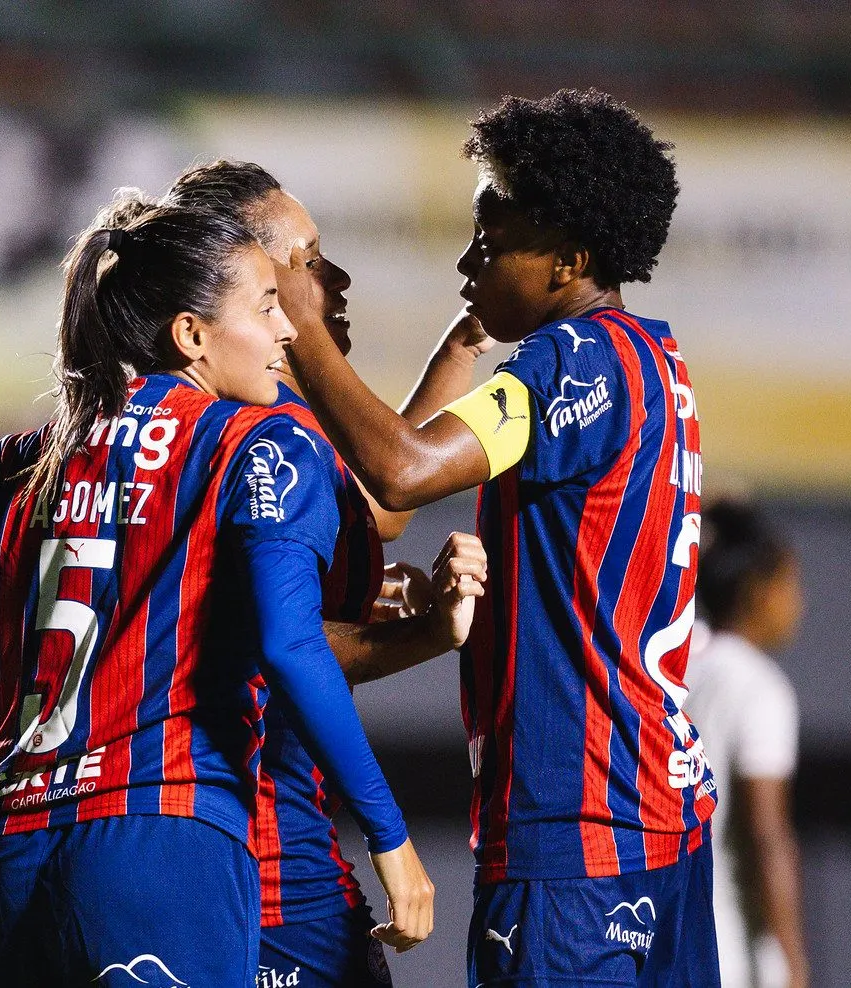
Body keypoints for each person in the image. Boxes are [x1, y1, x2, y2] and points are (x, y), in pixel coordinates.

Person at [0, 198, 436, 987]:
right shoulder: (259, 440)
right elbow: (291, 643)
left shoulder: (29, 457)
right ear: (191, 335)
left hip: (14, 857)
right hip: (163, 848)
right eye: (267, 308)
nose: (289, 331)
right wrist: (391, 838)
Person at [272, 89, 720, 986]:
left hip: (575, 826)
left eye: (494, 231)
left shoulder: (573, 361)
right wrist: (460, 349)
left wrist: (301, 328)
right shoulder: (653, 362)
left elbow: (400, 471)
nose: (470, 256)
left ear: (568, 260)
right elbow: (387, 500)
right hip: (664, 815)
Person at [162, 160, 493, 987]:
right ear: (248, 272)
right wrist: (427, 635)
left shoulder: (175, 421)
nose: (334, 278)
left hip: (150, 835)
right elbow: (277, 645)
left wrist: (462, 344)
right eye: (310, 260)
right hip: (257, 839)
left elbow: (374, 505)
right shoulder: (253, 431)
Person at [683, 501, 809, 988]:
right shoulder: (760, 686)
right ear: (756, 590)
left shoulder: (676, 665)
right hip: (727, 949)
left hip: (654, 933)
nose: (796, 602)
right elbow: (766, 833)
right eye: (789, 583)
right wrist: (792, 958)